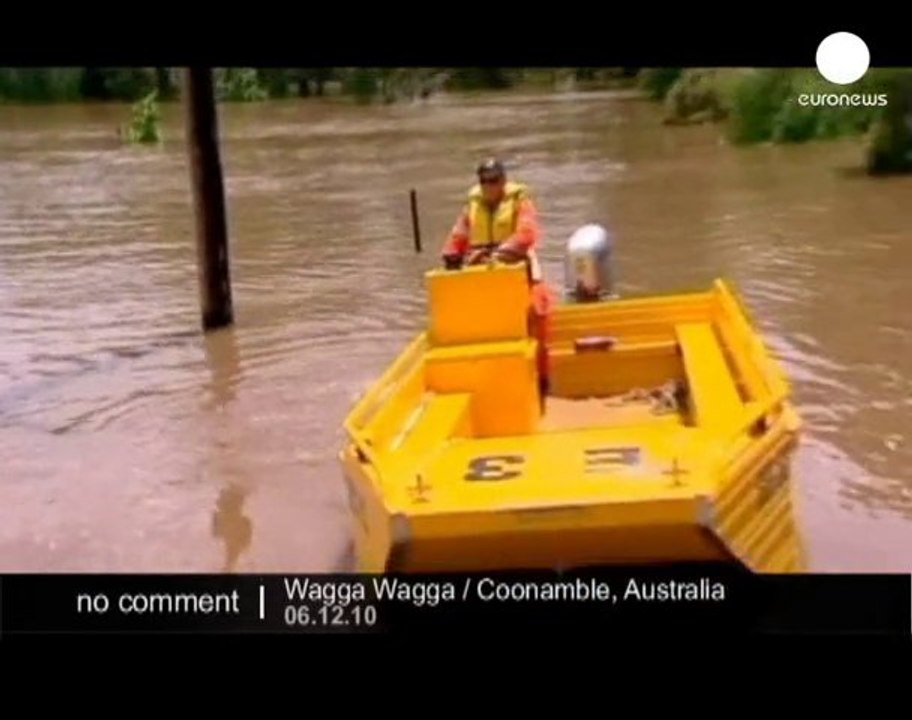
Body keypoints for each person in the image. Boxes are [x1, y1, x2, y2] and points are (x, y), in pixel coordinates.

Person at [441, 158, 553, 407]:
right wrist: (452, 256)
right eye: (484, 181)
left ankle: (542, 381)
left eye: (494, 180)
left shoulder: (520, 202)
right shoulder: (471, 207)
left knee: (539, 314)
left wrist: (497, 254)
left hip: (518, 271)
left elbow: (526, 234)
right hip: (484, 277)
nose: (489, 186)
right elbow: (457, 238)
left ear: (503, 180)